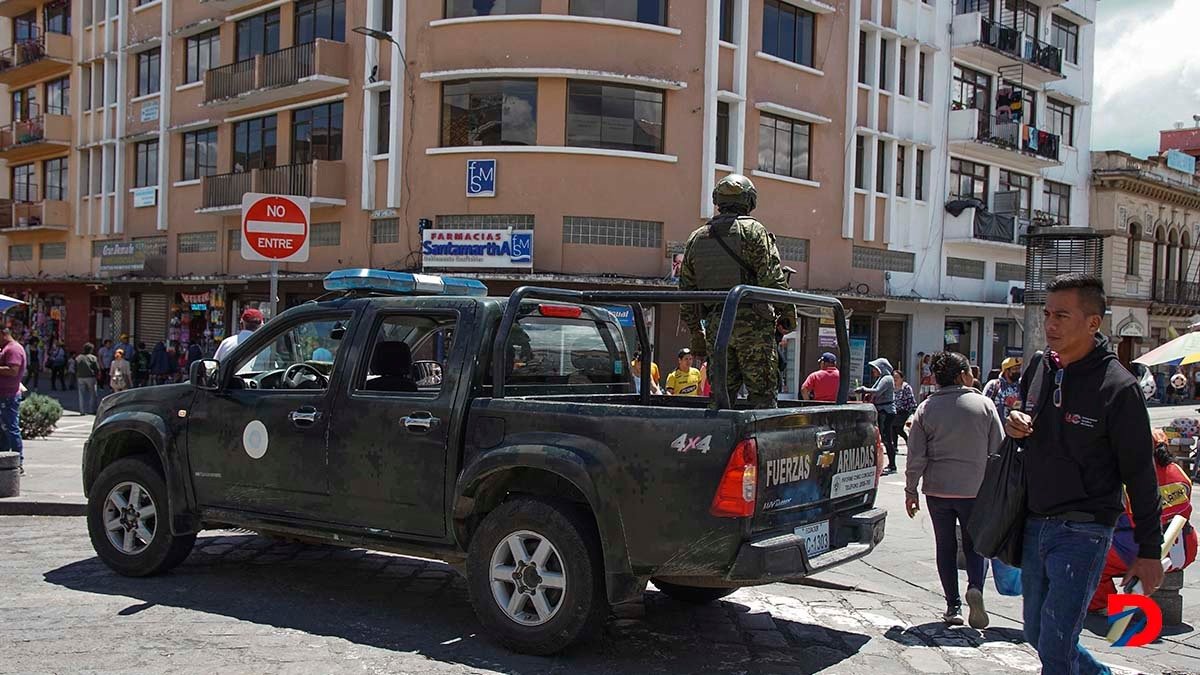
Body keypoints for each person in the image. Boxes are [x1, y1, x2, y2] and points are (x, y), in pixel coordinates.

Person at [1006, 274, 1163, 674]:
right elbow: (1031, 430)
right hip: (1035, 522)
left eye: (1062, 315)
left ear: (1093, 323)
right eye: (1046, 314)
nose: (1050, 324)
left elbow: (1141, 475)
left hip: (1085, 530)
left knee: (1057, 647)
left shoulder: (1118, 388)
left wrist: (1148, 551)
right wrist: (1017, 425)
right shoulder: (1039, 368)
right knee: (1037, 633)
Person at [679, 173, 796, 408]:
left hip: (716, 326)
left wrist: (696, 333)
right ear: (749, 200)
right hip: (752, 324)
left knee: (721, 397)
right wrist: (788, 315)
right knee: (762, 395)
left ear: (717, 200)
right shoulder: (753, 231)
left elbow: (687, 293)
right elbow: (771, 279)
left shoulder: (697, 238)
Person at [905, 351, 1003, 628]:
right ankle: (976, 587)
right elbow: (998, 450)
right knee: (975, 545)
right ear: (962, 376)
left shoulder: (926, 408)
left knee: (945, 545)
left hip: (938, 490)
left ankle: (953, 605)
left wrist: (911, 490)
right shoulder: (984, 405)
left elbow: (916, 456)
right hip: (975, 490)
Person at [1088, 428, 1197, 614]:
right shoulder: (1178, 471)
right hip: (1186, 551)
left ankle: (1101, 604)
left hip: (1145, 551)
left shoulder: (1132, 478)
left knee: (1090, 555)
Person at [856, 358, 898, 474]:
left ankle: (892, 465)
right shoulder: (881, 378)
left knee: (887, 439)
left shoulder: (887, 379)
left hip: (886, 411)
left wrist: (864, 389)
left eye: (875, 369)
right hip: (881, 410)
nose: (873, 371)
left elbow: (878, 391)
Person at [0, 328, 28, 473]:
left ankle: (18, 460)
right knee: (3, 429)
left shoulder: (13, 349)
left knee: (11, 427)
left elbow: (13, 370)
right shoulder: (6, 348)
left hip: (8, 395)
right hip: (4, 394)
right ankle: (4, 458)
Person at [892, 370, 917, 444]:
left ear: (902, 378)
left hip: (904, 411)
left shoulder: (906, 387)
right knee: (893, 428)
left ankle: (907, 440)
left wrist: (912, 411)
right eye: (893, 377)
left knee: (898, 429)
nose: (895, 379)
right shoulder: (892, 387)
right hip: (894, 411)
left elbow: (911, 399)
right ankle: (895, 447)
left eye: (897, 377)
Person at [75, 343, 100, 416]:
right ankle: (92, 410)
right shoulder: (93, 357)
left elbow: (75, 367)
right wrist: (97, 374)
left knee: (81, 394)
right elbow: (97, 368)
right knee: (93, 394)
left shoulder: (78, 357)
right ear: (91, 350)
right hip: (90, 377)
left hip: (80, 377)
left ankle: (82, 411)